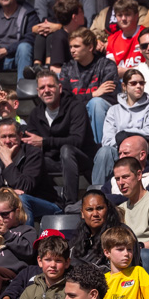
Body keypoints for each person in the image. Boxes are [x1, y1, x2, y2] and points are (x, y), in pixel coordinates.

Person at [26, 69, 94, 207]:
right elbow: (31, 142)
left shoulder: (75, 107)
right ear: (38, 92)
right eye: (42, 88)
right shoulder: (35, 114)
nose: (47, 90)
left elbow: (77, 141)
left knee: (66, 150)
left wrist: (45, 142)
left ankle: (71, 203)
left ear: (60, 88)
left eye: (51, 86)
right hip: (53, 160)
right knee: (32, 158)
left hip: (81, 159)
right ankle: (47, 202)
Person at [15, 231, 70, 299]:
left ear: (67, 263)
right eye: (48, 260)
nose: (53, 265)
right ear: (40, 261)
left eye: (58, 260)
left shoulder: (71, 291)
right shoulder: (30, 290)